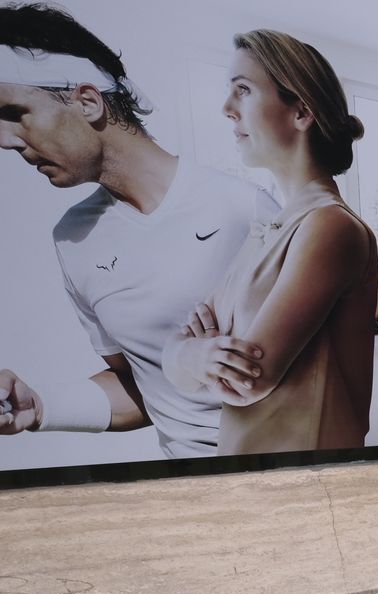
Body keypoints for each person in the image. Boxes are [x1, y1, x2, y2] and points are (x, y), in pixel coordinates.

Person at [0, 2, 274, 455]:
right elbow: (145, 388)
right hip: (184, 497)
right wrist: (40, 406)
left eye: (14, 111)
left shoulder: (246, 207)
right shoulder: (72, 239)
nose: (6, 140)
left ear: (87, 101)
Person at [164, 30, 377, 455]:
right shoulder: (273, 230)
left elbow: (245, 380)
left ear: (301, 111)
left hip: (307, 486)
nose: (227, 110)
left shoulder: (330, 227)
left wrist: (194, 353)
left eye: (242, 90)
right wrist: (194, 356)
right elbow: (182, 361)